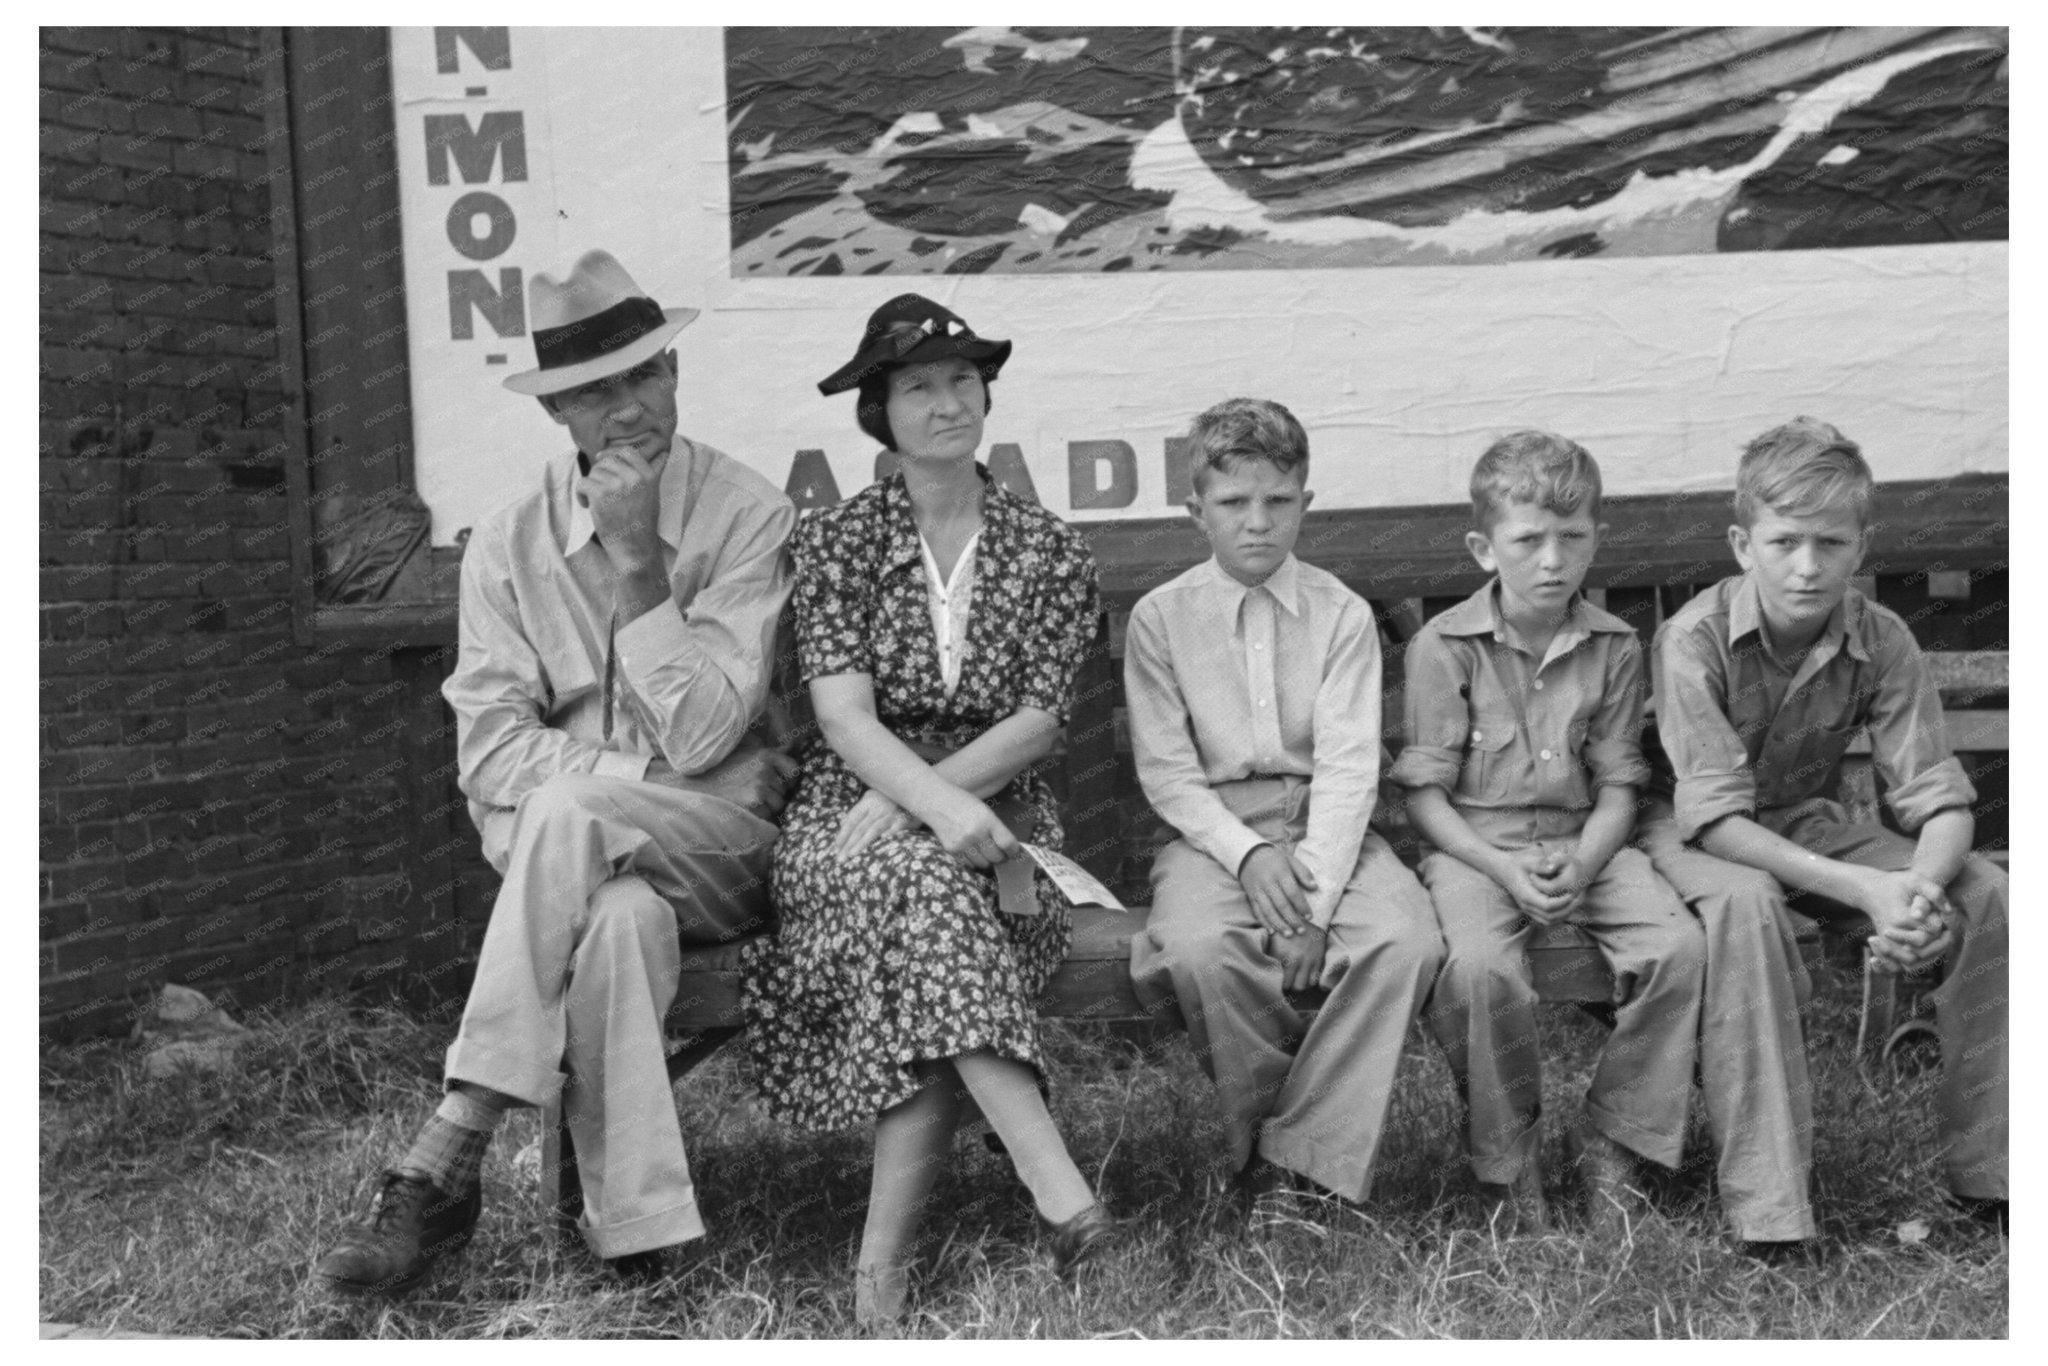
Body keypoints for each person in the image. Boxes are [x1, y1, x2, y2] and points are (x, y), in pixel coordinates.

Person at [314, 250, 797, 1294]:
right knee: (614, 910)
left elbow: (711, 729)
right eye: (594, 392)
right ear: (557, 415)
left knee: (569, 806)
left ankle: (449, 1145)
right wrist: (644, 776)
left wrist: (635, 566)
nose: (629, 410)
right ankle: (637, 1239)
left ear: (675, 374)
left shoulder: (747, 514)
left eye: (645, 376)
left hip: (725, 852)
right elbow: (488, 751)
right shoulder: (505, 544)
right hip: (595, 862)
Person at [739, 295, 1111, 1325]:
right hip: (846, 811)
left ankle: (877, 1276)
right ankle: (1058, 1190)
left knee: (923, 911)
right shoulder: (839, 541)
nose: (947, 402)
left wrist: (938, 808)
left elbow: (1039, 719)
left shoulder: (1046, 547)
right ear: (879, 412)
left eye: (961, 381)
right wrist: (921, 806)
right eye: (918, 386)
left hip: (998, 813)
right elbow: (842, 717)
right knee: (919, 888)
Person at [1639, 416, 2008, 1258]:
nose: (1807, 567)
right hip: (1691, 835)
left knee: (1987, 892)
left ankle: (1999, 1174)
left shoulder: (1881, 637)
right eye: (1785, 542)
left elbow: (1936, 797)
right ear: (1743, 543)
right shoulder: (1693, 638)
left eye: (1831, 544)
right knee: (1751, 910)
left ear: (1861, 547)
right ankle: (1772, 1214)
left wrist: (1915, 888)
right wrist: (1868, 893)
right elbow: (1716, 818)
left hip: (1803, 821)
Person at [1124, 397, 1444, 1216]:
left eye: (1277, 500)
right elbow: (1167, 776)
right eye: (1233, 504)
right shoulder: (1162, 619)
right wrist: (1248, 855)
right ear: (1197, 512)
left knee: (1403, 941)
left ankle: (1295, 1164)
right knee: (1200, 949)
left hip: (1328, 822)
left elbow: (1347, 768)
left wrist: (1315, 899)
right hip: (1215, 830)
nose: (1257, 523)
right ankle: (1268, 1141)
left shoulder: (1340, 614)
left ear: (1306, 500)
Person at [1392, 432, 1704, 1234]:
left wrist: (1588, 857)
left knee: (1677, 949)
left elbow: (1621, 785)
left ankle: (1618, 1142)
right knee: (1481, 973)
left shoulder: (1613, 645)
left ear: (1597, 538)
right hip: (1474, 848)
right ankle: (1508, 1162)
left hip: (1588, 841)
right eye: (1528, 540)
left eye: (1572, 538)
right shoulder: (1443, 648)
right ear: (1485, 548)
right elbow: (1426, 800)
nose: (1552, 560)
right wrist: (1499, 866)